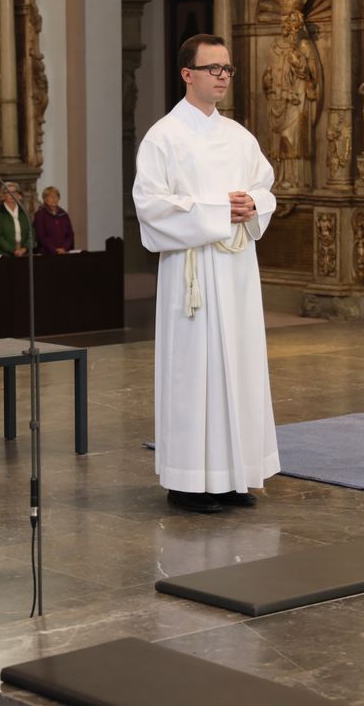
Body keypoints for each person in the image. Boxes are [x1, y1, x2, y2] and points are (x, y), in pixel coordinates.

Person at [132, 33, 279, 514]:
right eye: (212, 68)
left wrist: (253, 203)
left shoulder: (239, 136)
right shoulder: (164, 136)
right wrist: (220, 209)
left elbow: (265, 186)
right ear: (187, 74)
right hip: (193, 273)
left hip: (236, 269)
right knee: (194, 374)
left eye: (227, 69)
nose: (221, 77)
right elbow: (150, 206)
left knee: (239, 367)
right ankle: (189, 482)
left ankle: (235, 475)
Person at [0, 182, 33, 257]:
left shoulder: (24, 211)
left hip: (23, 252)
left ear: (18, 194)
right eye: (8, 192)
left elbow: (31, 231)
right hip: (4, 254)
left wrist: (25, 248)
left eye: (14, 192)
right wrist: (13, 250)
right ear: (3, 195)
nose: (12, 195)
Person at [33, 185, 74, 254]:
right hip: (47, 253)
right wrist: (54, 249)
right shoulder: (40, 214)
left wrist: (64, 248)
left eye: (56, 196)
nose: (54, 199)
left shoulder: (64, 214)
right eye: (50, 196)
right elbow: (40, 236)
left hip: (64, 252)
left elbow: (70, 235)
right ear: (45, 199)